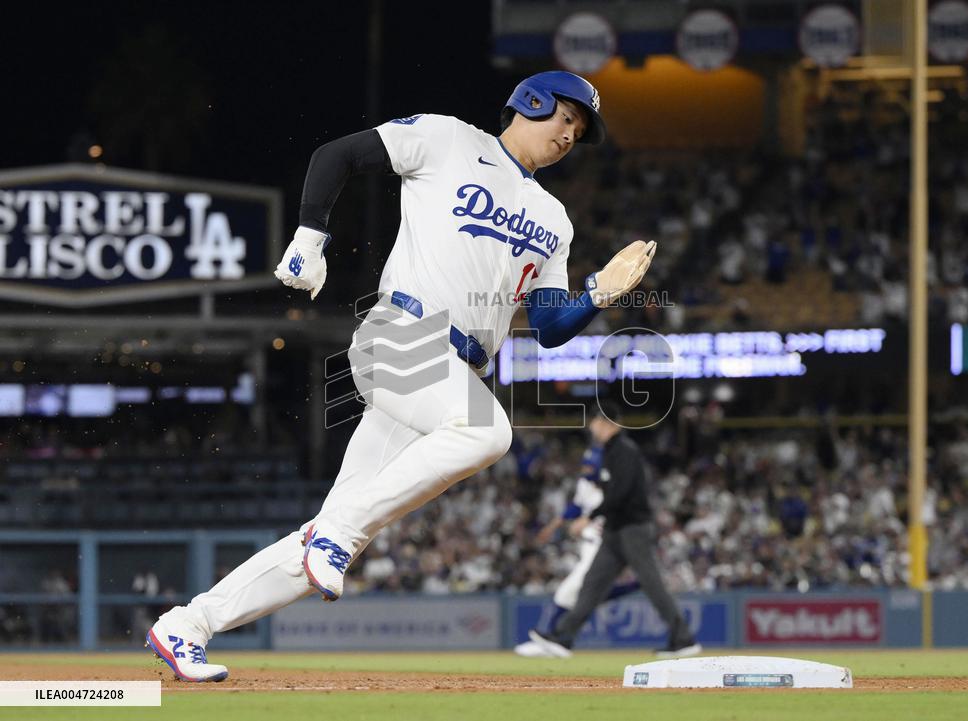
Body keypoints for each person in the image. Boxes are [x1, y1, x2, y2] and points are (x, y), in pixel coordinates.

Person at [144, 70, 657, 682]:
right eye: (566, 117)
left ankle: (188, 625)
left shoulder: (554, 218)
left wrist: (598, 291)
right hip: (400, 336)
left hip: (447, 374)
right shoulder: (448, 139)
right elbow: (338, 155)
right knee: (488, 433)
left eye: (579, 129)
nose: (570, 134)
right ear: (532, 101)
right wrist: (312, 235)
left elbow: (547, 326)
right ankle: (333, 536)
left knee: (329, 537)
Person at [528, 402, 702, 659]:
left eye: (594, 422)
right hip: (614, 530)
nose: (591, 427)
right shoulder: (610, 451)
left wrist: (590, 517)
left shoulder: (624, 450)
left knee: (652, 585)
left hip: (633, 528)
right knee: (592, 584)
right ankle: (563, 637)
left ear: (605, 422)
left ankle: (683, 638)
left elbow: (621, 493)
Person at [513, 443, 639, 657]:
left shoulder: (614, 490)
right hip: (589, 547)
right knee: (586, 595)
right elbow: (576, 507)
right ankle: (557, 641)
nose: (586, 470)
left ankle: (554, 640)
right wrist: (553, 526)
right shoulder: (585, 484)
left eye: (590, 467)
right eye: (585, 466)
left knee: (569, 592)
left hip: (604, 548)